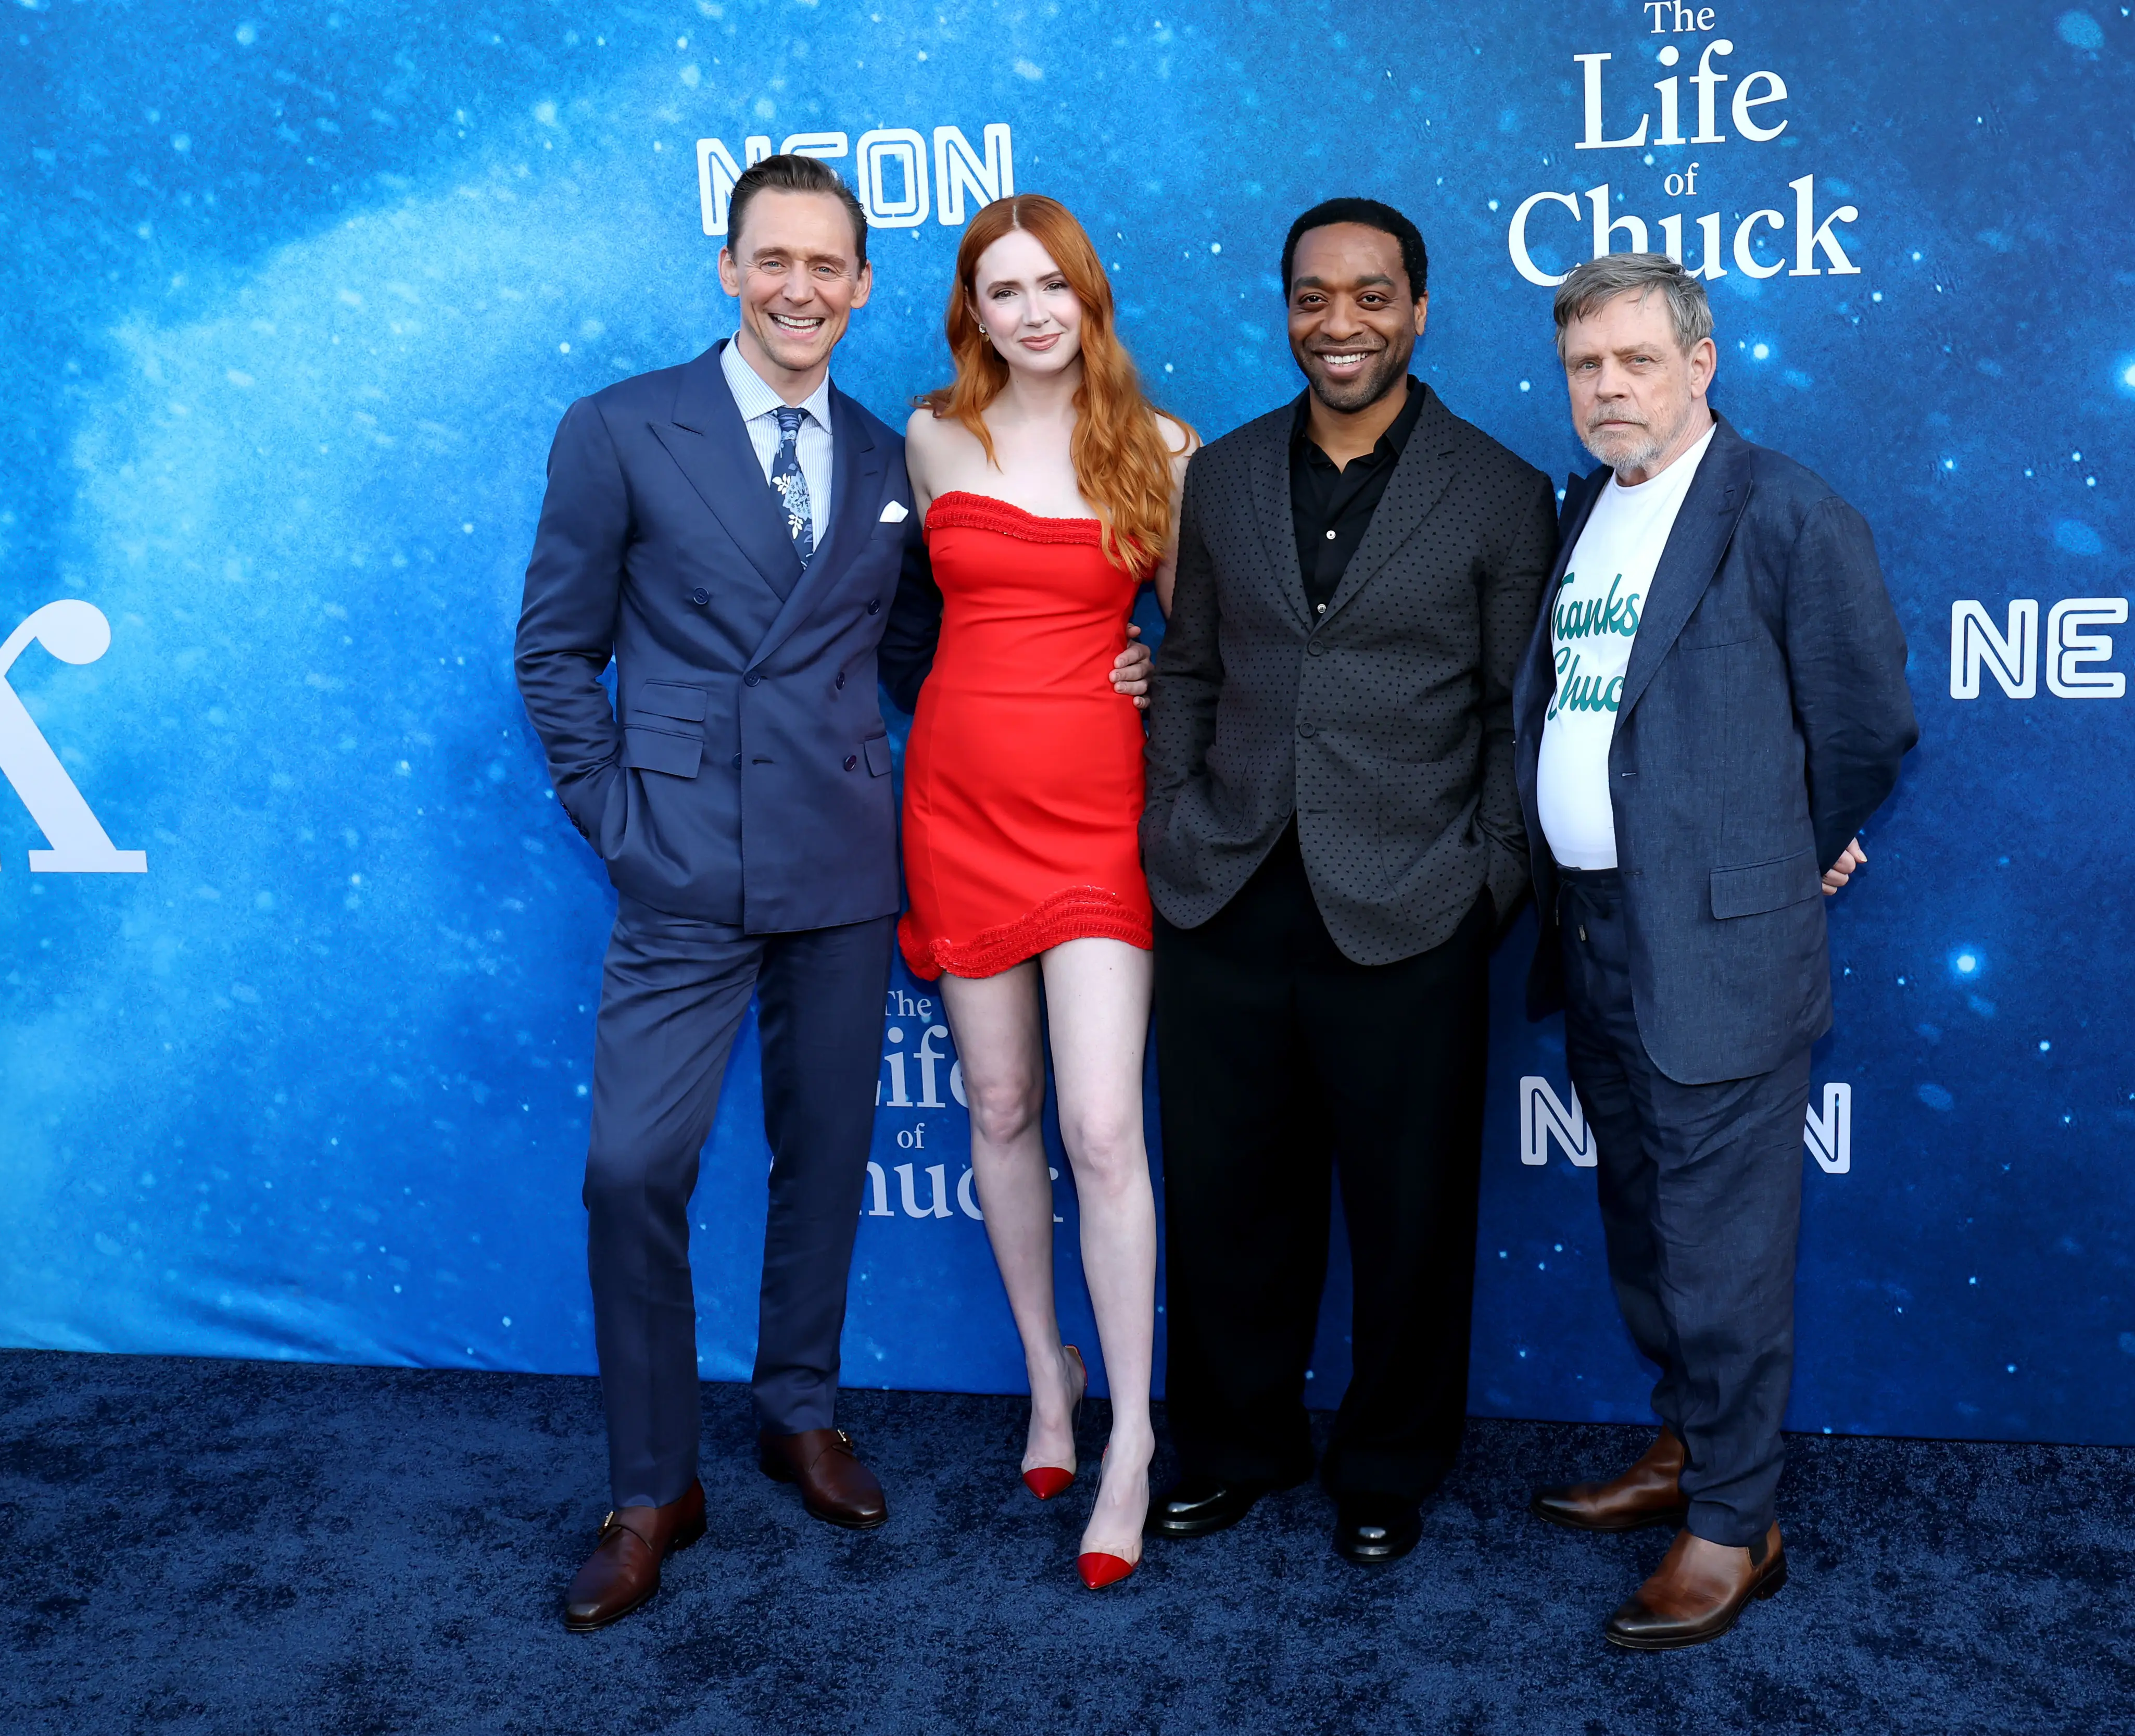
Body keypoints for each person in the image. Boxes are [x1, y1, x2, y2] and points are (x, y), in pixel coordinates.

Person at [513, 153, 1147, 1633]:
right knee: (632, 1170)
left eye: (829, 266)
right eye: (772, 260)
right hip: (680, 865)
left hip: (852, 860)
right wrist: (621, 817)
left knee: (827, 1150)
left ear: (864, 289)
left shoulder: (894, 450)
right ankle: (650, 1484)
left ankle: (801, 1410)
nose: (800, 287)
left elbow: (932, 641)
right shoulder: (619, 427)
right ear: (730, 270)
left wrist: (1107, 676)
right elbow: (553, 650)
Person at [1140, 197, 1558, 1567]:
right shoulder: (1226, 474)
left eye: (1372, 297)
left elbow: (1520, 712)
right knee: (1223, 1196)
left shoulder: (1501, 490)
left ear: (1421, 309)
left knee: (1410, 1213)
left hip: (1412, 902)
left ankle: (1388, 1460)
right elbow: (1193, 668)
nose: (1342, 323)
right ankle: (1235, 1443)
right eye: (1316, 297)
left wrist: (1488, 879)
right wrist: (1172, 822)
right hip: (1228, 890)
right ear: (1286, 310)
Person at [1512, 251, 1916, 1650]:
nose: (1609, 388)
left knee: (1726, 1250)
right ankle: (1685, 1448)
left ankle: (1739, 1524)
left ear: (1703, 361)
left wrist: (1786, 843)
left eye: (1635, 360)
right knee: (1647, 1227)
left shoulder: (1789, 510)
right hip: (1598, 931)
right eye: (1585, 367)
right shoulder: (1589, 511)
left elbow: (1868, 726)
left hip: (1724, 947)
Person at [899, 194, 1192, 1591]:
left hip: (1097, 819)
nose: (1031, 311)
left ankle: (1133, 1436)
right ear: (975, 306)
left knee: (1099, 1120)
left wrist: (1148, 669)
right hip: (958, 806)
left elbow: (1199, 654)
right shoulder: (930, 433)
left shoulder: (1163, 451)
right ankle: (1048, 1379)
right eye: (1003, 288)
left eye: (1053, 286)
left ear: (1091, 298)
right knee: (1000, 1105)